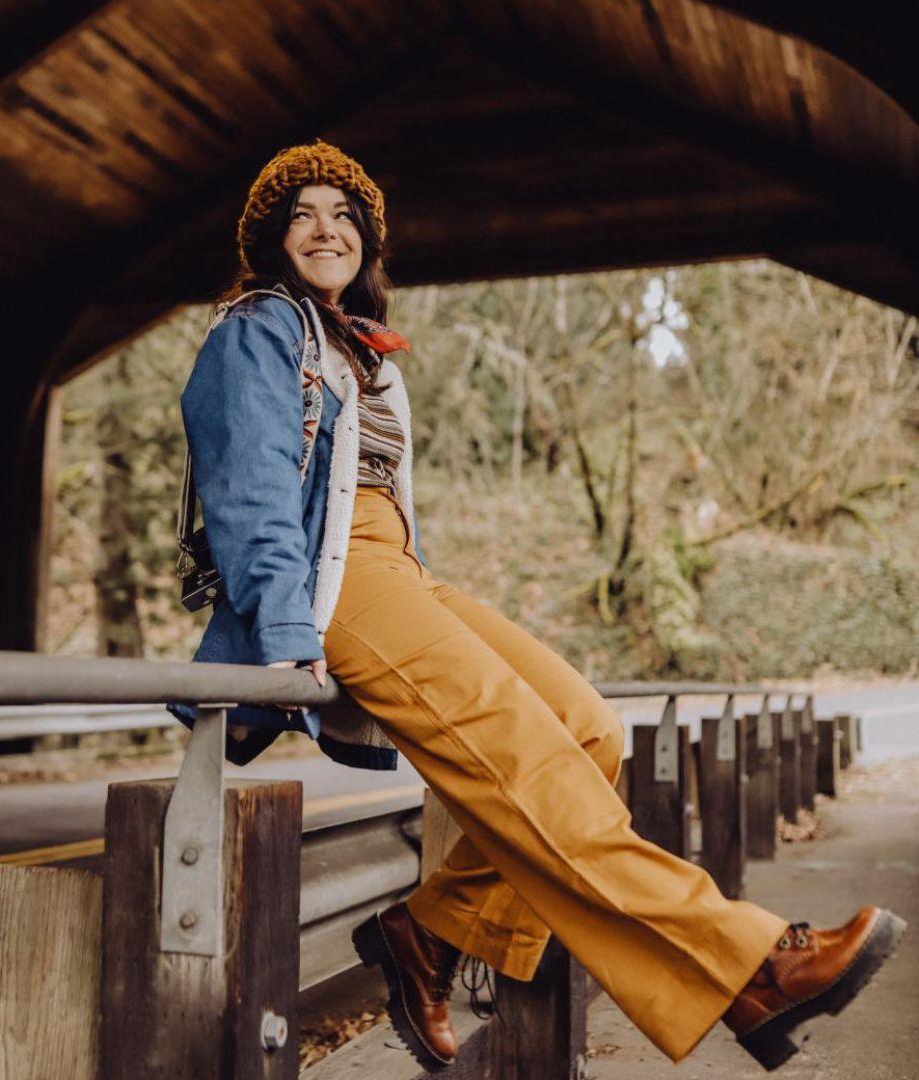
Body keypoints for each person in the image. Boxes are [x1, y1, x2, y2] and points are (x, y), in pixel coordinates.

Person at [168, 139, 906, 1072]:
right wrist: (283, 633)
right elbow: (251, 492)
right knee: (527, 760)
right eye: (304, 214)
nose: (327, 230)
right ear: (272, 236)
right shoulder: (257, 328)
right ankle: (747, 961)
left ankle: (430, 936)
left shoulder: (357, 346)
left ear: (367, 242)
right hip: (330, 579)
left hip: (395, 564)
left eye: (346, 216)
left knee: (588, 730)